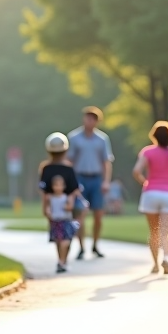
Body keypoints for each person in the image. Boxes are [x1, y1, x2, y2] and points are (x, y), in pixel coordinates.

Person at [133, 120, 168, 275]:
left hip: (151, 193)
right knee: (165, 232)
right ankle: (166, 258)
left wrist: (146, 182)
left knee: (154, 231)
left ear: (153, 136)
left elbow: (136, 171)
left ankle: (155, 265)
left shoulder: (147, 152)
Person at [67, 106, 114, 259]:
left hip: (97, 178)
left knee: (98, 214)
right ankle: (81, 247)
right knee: (79, 213)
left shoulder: (102, 139)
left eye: (93, 118)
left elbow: (106, 162)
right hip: (79, 178)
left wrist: (106, 181)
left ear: (97, 121)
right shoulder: (74, 137)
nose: (90, 121)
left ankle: (95, 245)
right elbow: (69, 161)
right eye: (87, 117)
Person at [44, 172, 78, 273]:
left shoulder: (66, 197)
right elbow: (48, 208)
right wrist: (48, 212)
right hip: (56, 222)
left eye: (60, 185)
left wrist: (67, 206)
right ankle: (61, 261)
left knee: (66, 242)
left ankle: (63, 261)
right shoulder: (50, 198)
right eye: (55, 185)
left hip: (65, 221)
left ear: (64, 186)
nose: (58, 187)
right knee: (58, 243)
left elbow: (70, 207)